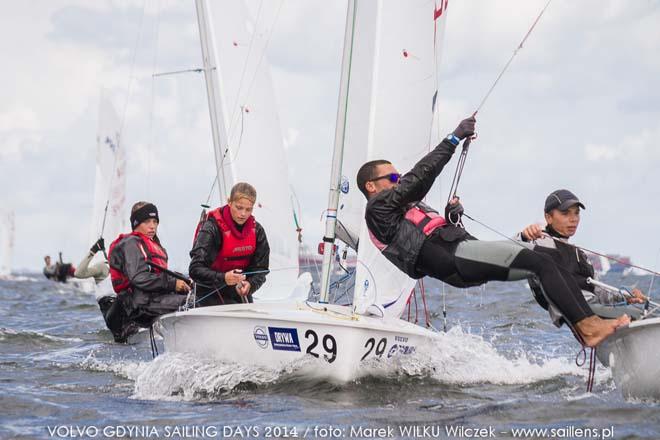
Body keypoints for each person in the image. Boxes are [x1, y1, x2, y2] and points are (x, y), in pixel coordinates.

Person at [357, 116, 629, 347]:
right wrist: (452, 139)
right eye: (393, 178)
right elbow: (420, 178)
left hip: (455, 254)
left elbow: (425, 228)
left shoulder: (398, 207)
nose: (399, 181)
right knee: (539, 262)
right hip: (451, 257)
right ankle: (587, 326)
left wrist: (452, 219)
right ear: (371, 186)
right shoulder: (377, 208)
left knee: (542, 261)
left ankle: (589, 322)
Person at [518, 189, 646, 324]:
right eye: (565, 213)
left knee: (643, 310)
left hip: (593, 307)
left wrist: (625, 297)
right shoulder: (538, 242)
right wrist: (523, 236)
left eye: (577, 213)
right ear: (548, 217)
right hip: (577, 310)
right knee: (639, 315)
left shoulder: (580, 255)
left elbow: (598, 291)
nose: (573, 219)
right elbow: (513, 252)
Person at [108, 201, 190, 330]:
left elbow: (160, 276)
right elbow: (138, 277)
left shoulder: (155, 246)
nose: (152, 226)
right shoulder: (131, 244)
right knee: (193, 302)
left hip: (154, 299)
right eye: (147, 222)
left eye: (155, 221)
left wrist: (183, 282)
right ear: (136, 223)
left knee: (200, 295)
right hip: (140, 305)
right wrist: (173, 284)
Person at [189, 182, 270, 307]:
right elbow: (195, 269)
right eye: (239, 207)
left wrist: (250, 285)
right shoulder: (211, 228)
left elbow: (261, 269)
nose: (243, 214)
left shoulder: (257, 231)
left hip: (239, 293)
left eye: (248, 209)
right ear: (229, 202)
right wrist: (224, 278)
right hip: (208, 294)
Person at [74, 237, 139, 342]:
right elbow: (78, 273)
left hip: (125, 316)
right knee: (125, 295)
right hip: (111, 313)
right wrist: (93, 250)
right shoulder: (103, 268)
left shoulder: (125, 270)